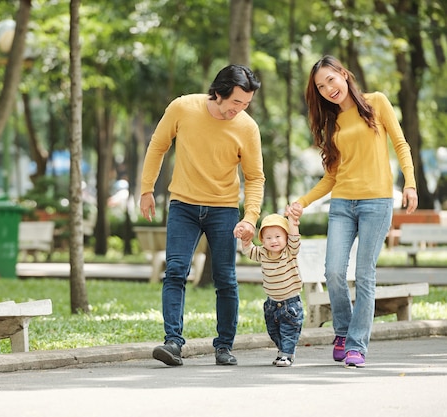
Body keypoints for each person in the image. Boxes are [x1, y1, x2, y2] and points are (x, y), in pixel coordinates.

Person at [287, 55, 418, 368]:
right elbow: (332, 176)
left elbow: (400, 144)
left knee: (364, 274)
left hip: (377, 202)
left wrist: (410, 184)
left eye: (331, 79)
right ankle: (343, 332)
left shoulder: (376, 103)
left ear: (343, 74)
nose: (328, 88)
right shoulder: (331, 123)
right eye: (320, 86)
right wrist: (302, 202)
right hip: (343, 204)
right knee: (332, 270)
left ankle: (357, 345)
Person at [139, 64, 265, 366]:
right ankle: (172, 343)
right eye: (236, 102)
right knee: (176, 271)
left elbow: (255, 177)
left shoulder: (247, 127)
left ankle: (224, 346)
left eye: (246, 104)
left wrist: (250, 217)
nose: (240, 109)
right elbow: (158, 145)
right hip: (183, 204)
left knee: (225, 278)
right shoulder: (183, 107)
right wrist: (146, 189)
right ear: (219, 93)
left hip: (223, 209)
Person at [239, 212, 303, 367]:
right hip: (271, 303)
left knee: (288, 331)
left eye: (278, 236)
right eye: (268, 238)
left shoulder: (289, 252)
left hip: (291, 303)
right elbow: (248, 251)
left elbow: (294, 239)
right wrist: (245, 240)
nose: (273, 241)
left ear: (286, 237)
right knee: (273, 331)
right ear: (262, 240)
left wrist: (292, 223)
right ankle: (282, 351)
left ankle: (287, 354)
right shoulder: (262, 253)